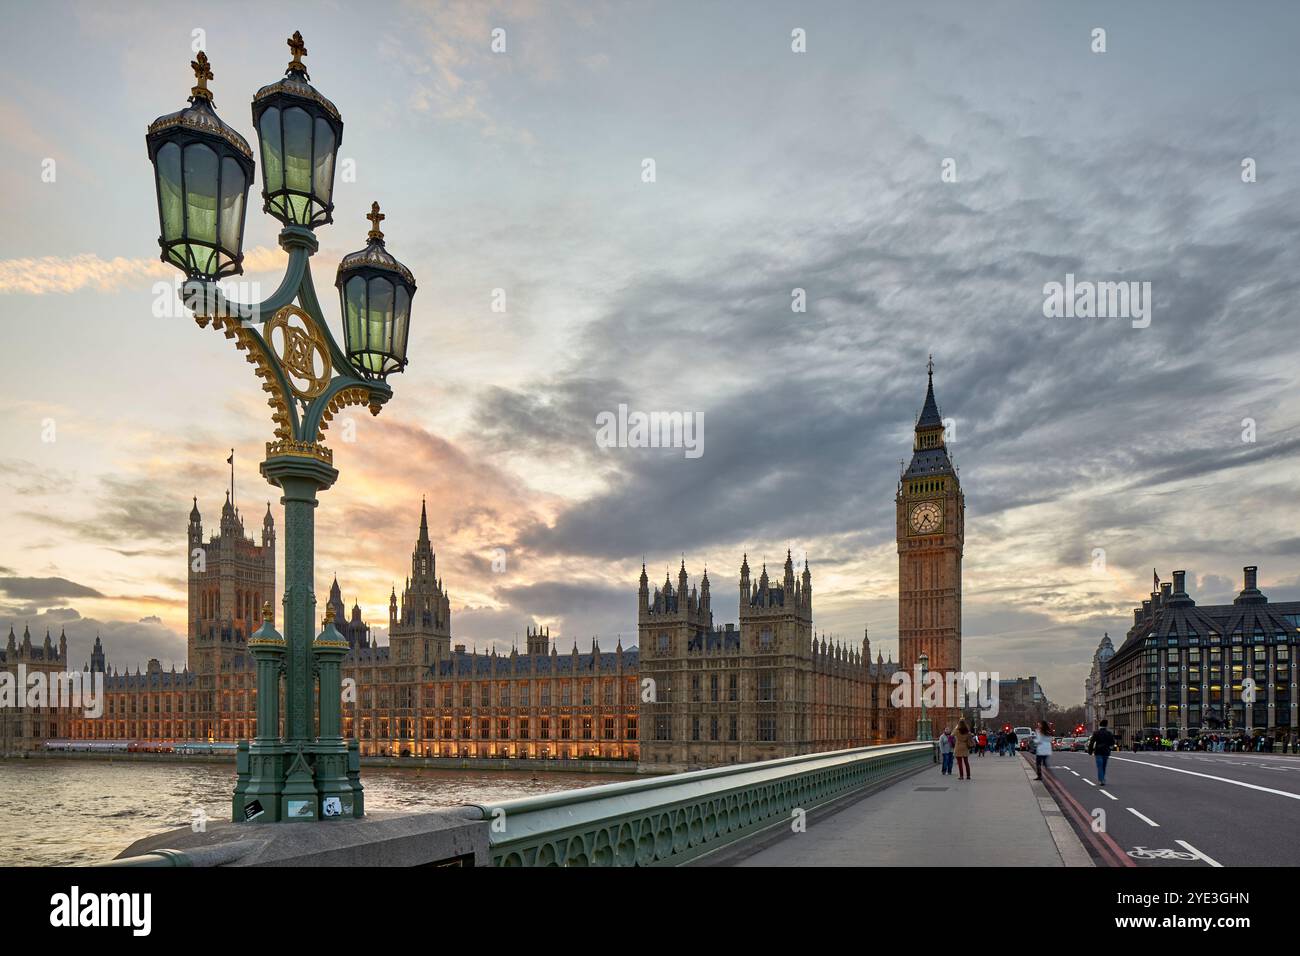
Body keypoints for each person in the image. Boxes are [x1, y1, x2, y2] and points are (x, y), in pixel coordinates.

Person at [1087, 719, 1116, 786]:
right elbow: (1112, 742)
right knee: (1103, 766)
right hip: (1106, 752)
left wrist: (1090, 751)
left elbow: (1092, 742)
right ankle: (1102, 778)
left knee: (1100, 766)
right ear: (1106, 726)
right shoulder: (1109, 733)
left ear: (1100, 725)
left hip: (1098, 752)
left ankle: (1101, 780)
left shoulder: (1096, 733)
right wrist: (1109, 747)